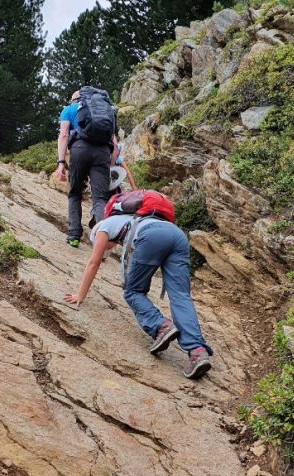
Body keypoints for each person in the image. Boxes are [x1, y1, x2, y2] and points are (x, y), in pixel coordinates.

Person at [63, 210, 213, 379]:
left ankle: (161, 326)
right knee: (180, 296)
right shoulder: (129, 219)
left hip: (152, 236)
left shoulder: (101, 230)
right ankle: (198, 351)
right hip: (176, 235)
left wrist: (80, 295)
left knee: (132, 291)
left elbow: (93, 263)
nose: (107, 248)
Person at [56, 88, 115, 248]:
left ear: (74, 99)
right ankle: (101, 240)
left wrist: (61, 162)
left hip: (79, 150)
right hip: (102, 152)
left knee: (75, 193)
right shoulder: (107, 110)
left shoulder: (69, 109)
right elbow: (114, 143)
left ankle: (74, 234)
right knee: (100, 198)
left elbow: (63, 135)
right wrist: (109, 165)